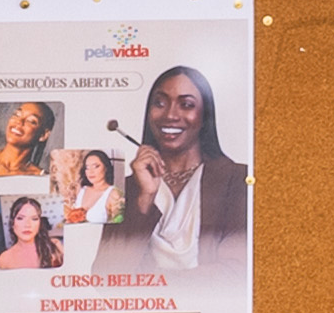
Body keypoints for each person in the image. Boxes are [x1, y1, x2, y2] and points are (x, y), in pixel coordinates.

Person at [95, 66, 248, 272]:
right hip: (146, 305)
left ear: (205, 116)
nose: (170, 115)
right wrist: (144, 199)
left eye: (186, 105)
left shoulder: (236, 181)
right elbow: (106, 275)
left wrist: (152, 286)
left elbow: (236, 272)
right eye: (160, 103)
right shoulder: (129, 189)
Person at [0, 100, 56, 177]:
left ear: (43, 135)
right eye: (17, 114)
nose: (19, 121)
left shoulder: (43, 177)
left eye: (31, 121)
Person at [0, 197, 63, 270]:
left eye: (34, 219)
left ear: (39, 224)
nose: (27, 224)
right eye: (20, 218)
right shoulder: (5, 259)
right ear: (12, 223)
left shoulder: (55, 246)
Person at [66, 150, 122, 224]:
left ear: (106, 168)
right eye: (87, 168)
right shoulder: (81, 189)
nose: (91, 171)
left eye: (96, 166)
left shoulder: (114, 194)